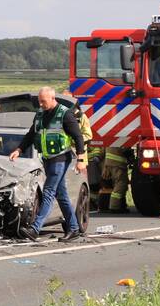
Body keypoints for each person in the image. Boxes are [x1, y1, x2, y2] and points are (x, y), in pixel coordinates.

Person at [8, 86, 86, 241]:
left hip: (61, 158)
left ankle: (35, 228)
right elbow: (32, 133)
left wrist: (81, 159)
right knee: (61, 194)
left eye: (43, 101)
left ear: (52, 98)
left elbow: (78, 137)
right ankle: (74, 227)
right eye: (39, 101)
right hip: (48, 159)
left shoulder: (65, 114)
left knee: (49, 192)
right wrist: (19, 149)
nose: (41, 104)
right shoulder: (40, 115)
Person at [102, 147, 130, 213]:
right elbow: (125, 150)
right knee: (121, 185)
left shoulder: (111, 139)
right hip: (118, 164)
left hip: (110, 163)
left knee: (117, 184)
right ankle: (114, 207)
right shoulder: (123, 138)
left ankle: (121, 205)